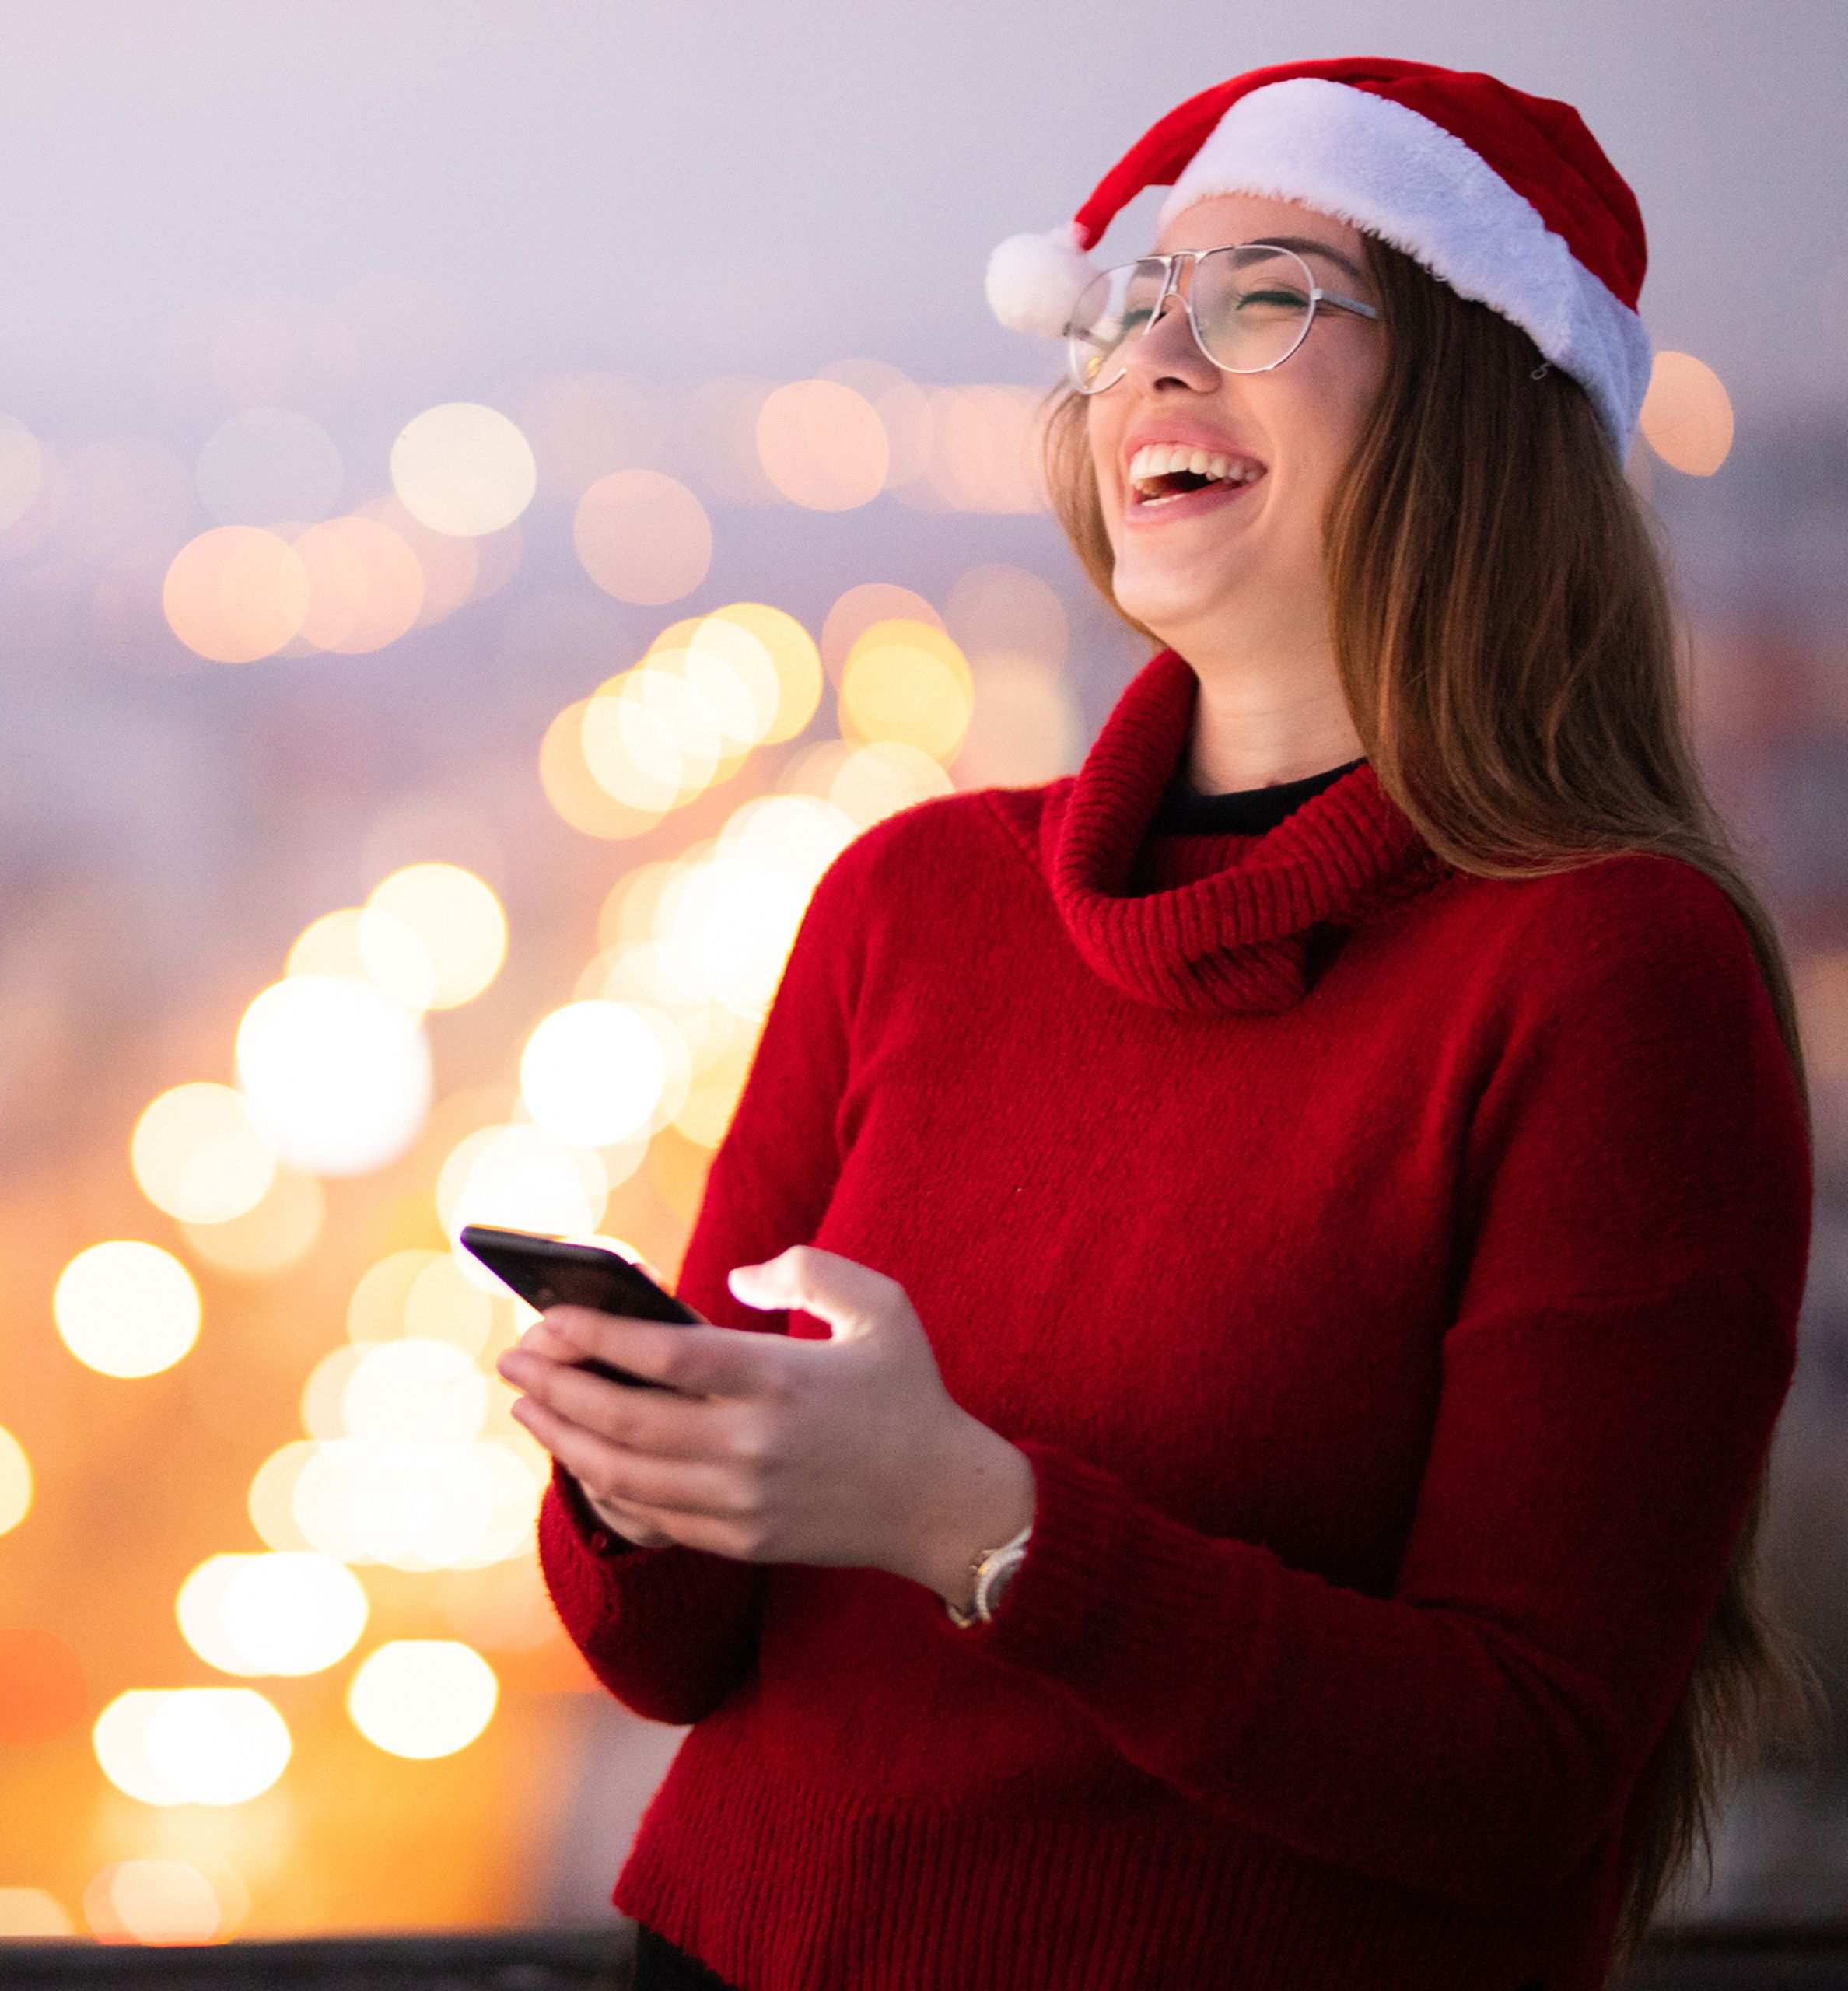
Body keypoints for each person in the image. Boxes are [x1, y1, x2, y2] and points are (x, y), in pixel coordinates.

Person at [493, 57, 1822, 1991]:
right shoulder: (916, 901)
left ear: (1475, 400)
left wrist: (978, 1523)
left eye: (1263, 295)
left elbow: (1520, 1770)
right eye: (1123, 314)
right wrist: (636, 1474)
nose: (1153, 363)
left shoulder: (1612, 976)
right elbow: (669, 1653)